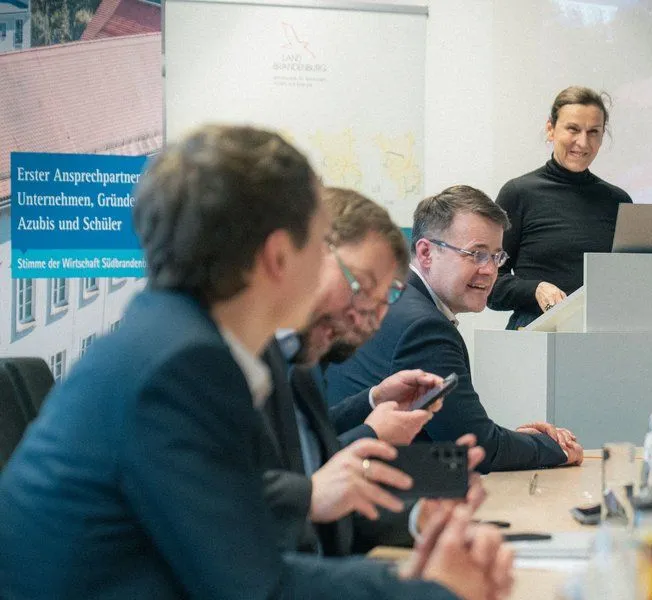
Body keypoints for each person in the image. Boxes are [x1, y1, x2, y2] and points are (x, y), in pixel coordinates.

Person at [0, 126, 513, 600]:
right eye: (318, 241)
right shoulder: (181, 368)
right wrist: (430, 588)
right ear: (278, 256)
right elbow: (255, 587)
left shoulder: (180, 341)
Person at [261, 187, 487, 556]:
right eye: (361, 287)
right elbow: (293, 494)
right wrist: (372, 433)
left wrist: (420, 518)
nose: (366, 318)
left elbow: (314, 470)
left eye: (384, 301)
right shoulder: (232, 358)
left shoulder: (299, 357)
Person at [324, 185, 584, 473]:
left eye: (497, 257)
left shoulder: (399, 300)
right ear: (425, 253)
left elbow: (461, 434)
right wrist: (554, 448)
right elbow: (477, 446)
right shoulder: (425, 327)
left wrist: (519, 442)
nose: (489, 270)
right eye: (476, 254)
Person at [487, 85, 633, 330]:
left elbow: (630, 282)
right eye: (573, 129)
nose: (582, 142)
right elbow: (488, 283)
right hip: (538, 331)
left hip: (603, 335)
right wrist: (534, 289)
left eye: (593, 132)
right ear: (551, 129)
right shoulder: (518, 194)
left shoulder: (618, 201)